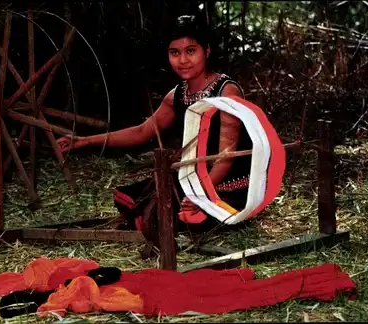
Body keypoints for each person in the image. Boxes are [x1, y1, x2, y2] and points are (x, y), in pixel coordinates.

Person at [57, 15, 253, 233]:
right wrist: (84, 141)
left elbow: (225, 158)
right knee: (132, 199)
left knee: (163, 218)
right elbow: (141, 131)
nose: (183, 60)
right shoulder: (177, 95)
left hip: (227, 184)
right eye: (174, 53)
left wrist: (199, 193)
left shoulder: (226, 91)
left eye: (191, 51)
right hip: (194, 178)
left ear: (207, 51)